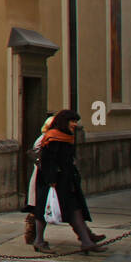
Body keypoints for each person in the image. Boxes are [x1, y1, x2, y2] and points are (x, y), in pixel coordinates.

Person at [30, 109, 107, 254]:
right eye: (72, 121)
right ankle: (39, 241)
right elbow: (48, 160)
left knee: (74, 209)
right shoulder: (53, 137)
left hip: (66, 181)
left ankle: (86, 241)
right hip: (52, 182)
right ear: (64, 122)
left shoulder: (67, 137)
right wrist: (51, 180)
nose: (75, 125)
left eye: (75, 121)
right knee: (44, 211)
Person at [21, 113, 55, 245]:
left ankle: (86, 236)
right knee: (40, 207)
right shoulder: (44, 138)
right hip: (42, 176)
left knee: (41, 206)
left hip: (43, 176)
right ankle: (34, 235)